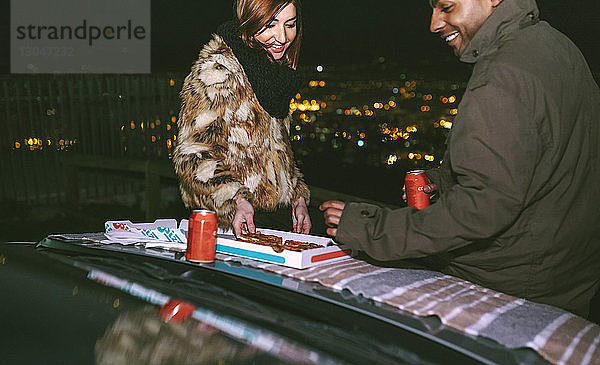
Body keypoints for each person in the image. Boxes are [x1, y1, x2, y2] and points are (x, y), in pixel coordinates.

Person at [321, 0, 600, 318]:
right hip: (567, 284)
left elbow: (481, 208)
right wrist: (443, 180)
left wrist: (370, 228)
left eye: (446, 7)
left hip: (510, 292)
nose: (434, 24)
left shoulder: (501, 77)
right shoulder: (554, 46)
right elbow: (543, 159)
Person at [174, 0, 311, 237]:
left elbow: (275, 153)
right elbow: (193, 154)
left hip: (270, 223)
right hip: (225, 226)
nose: (282, 36)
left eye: (290, 25)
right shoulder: (219, 71)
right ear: (250, 20)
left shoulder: (274, 75)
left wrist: (297, 197)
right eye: (270, 25)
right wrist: (236, 200)